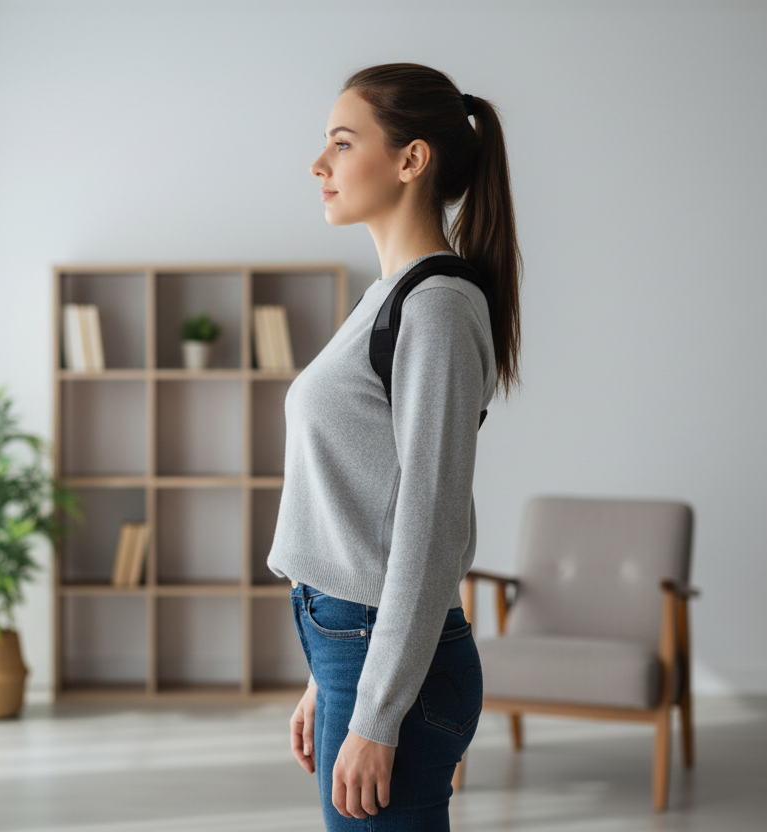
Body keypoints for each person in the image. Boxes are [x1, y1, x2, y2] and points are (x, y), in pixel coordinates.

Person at [266, 63, 521, 830]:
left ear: (412, 161)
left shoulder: (437, 307)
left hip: (384, 655)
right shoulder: (390, 295)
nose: (320, 165)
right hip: (353, 643)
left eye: (343, 144)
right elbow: (367, 504)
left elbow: (430, 522)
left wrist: (376, 711)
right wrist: (326, 676)